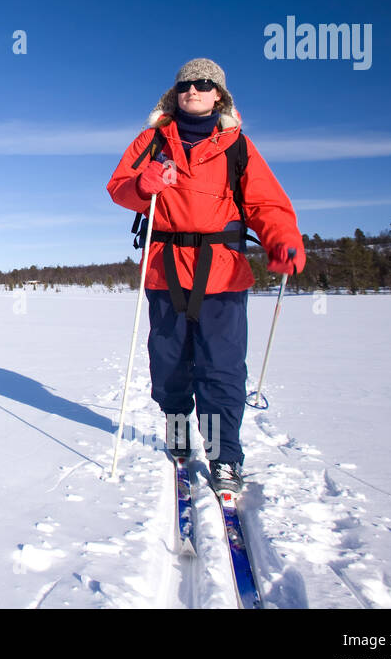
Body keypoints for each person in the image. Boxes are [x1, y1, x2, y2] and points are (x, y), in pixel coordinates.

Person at [106, 58, 305, 493]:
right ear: (175, 94)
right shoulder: (153, 139)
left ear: (219, 95)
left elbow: (265, 205)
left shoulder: (239, 147)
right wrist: (145, 185)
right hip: (165, 269)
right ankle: (177, 430)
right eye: (185, 84)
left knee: (222, 368)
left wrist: (283, 239)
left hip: (223, 273)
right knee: (169, 361)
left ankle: (223, 456)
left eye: (203, 84)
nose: (193, 90)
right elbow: (119, 186)